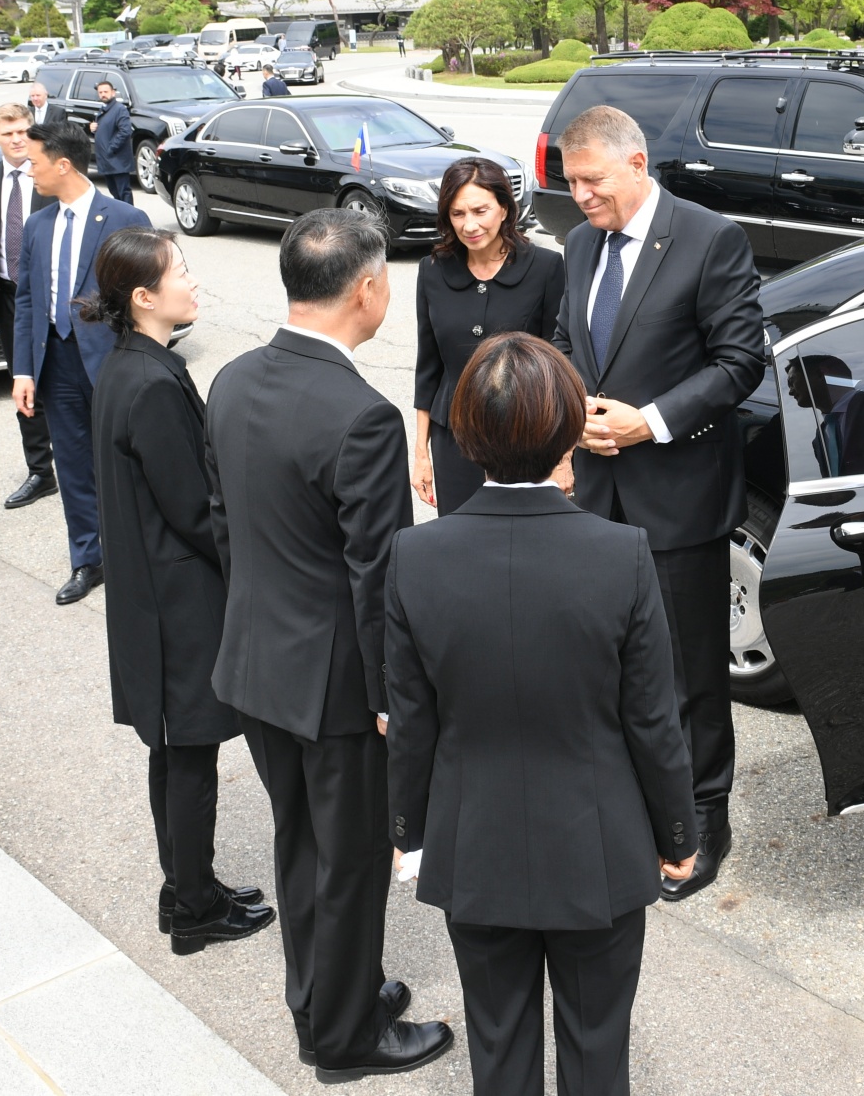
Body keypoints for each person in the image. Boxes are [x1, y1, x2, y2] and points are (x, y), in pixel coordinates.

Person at [388, 332, 695, 1096]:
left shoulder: (415, 557)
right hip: (598, 843)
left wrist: (410, 833)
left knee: (497, 1044)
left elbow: (412, 720)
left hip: (474, 841)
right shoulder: (621, 553)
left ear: (468, 433)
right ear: (566, 431)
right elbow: (652, 720)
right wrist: (677, 834)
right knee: (597, 1048)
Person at [206, 208, 452, 1077]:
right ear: (368, 288)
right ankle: (343, 1040)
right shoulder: (361, 415)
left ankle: (324, 993)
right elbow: (378, 577)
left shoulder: (232, 379)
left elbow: (225, 526)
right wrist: (392, 697)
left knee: (300, 843)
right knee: (348, 862)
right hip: (337, 681)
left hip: (257, 660)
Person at [548, 105, 766, 901]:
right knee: (611, 670)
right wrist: (574, 415)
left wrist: (654, 420)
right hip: (596, 495)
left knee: (688, 678)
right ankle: (631, 808)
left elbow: (741, 360)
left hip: (678, 501)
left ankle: (702, 821)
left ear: (636, 162)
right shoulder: (577, 245)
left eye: (592, 180)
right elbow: (570, 346)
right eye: (570, 183)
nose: (580, 197)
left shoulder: (711, 239)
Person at [78, 227, 274, 957]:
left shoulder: (132, 365)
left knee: (176, 755)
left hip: (153, 596)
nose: (194, 282)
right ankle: (193, 906)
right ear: (143, 296)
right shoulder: (151, 381)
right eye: (181, 272)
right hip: (177, 604)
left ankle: (187, 884)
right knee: (189, 757)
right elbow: (194, 509)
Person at [12, 120, 151, 606]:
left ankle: (140, 554)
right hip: (56, 364)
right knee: (72, 467)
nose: (26, 169)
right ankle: (88, 560)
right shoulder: (37, 225)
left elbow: (145, 298)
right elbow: (26, 303)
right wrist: (23, 370)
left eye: (33, 161)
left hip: (111, 362)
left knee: (127, 463)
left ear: (63, 164)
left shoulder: (122, 218)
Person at [412, 157, 567, 516]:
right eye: (457, 213)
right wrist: (421, 453)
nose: (469, 225)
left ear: (504, 208)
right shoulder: (432, 270)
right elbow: (428, 368)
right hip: (453, 439)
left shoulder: (545, 268)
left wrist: (563, 457)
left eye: (480, 210)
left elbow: (561, 368)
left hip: (527, 436)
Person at [0, 102, 57, 510]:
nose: (17, 139)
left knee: (66, 377)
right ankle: (40, 470)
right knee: (24, 382)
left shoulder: (49, 173)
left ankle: (86, 457)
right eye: (9, 132)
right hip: (6, 296)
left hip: (51, 295)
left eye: (23, 130)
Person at [93, 78, 135, 204]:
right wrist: (93, 128)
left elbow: (125, 131)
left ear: (113, 92)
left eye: (105, 91)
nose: (103, 94)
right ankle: (121, 219)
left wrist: (110, 148)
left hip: (118, 161)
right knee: (114, 193)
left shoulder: (119, 109)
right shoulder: (103, 110)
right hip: (107, 161)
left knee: (124, 193)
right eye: (100, 92)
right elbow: (106, 130)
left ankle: (130, 220)